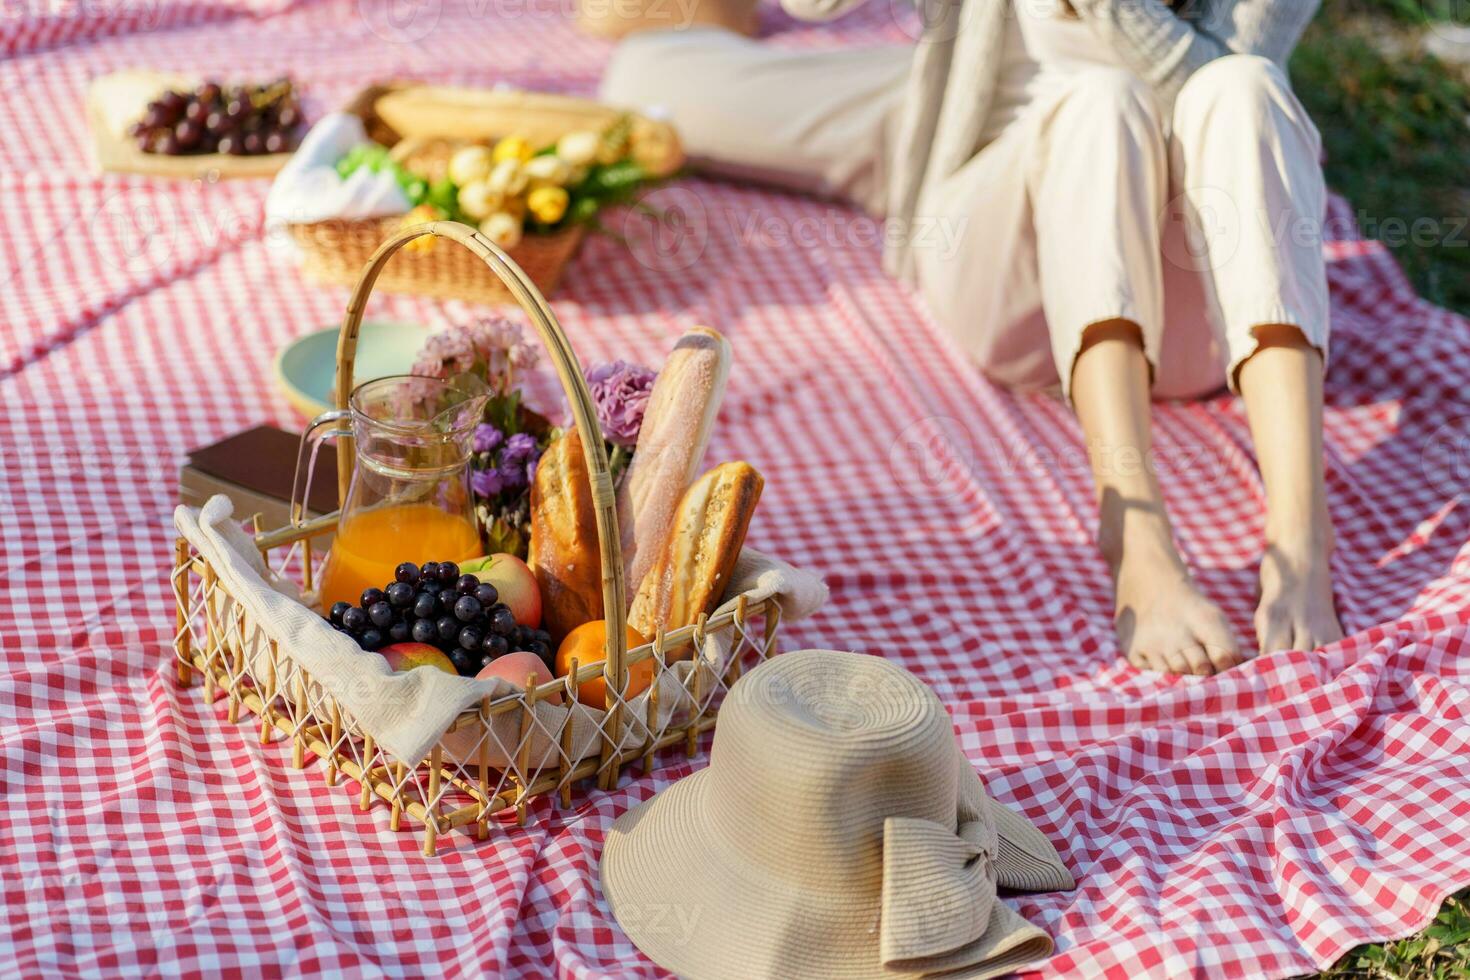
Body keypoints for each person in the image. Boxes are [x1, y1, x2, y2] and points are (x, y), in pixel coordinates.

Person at [600, 0, 1344, 675]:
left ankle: (1301, 542)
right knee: (1094, 101)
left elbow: (1210, 89)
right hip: (1013, 277)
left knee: (1241, 89)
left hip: (1195, 308)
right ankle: (1136, 530)